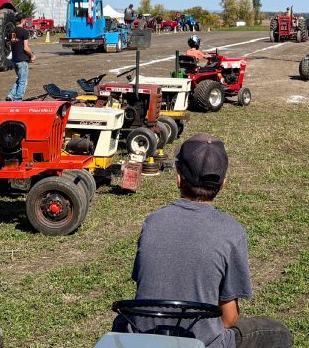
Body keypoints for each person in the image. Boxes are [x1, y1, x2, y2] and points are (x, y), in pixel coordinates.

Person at [116, 134, 293, 348]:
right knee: (277, 332)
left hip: (144, 338)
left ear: (179, 178)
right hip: (203, 343)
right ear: (224, 183)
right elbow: (229, 319)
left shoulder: (153, 221)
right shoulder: (232, 231)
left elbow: (146, 286)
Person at [6, 15, 34, 101]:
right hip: (22, 60)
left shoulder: (12, 32)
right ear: (22, 20)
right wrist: (32, 56)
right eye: (25, 20)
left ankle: (10, 96)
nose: (25, 21)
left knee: (20, 78)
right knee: (23, 81)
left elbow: (13, 45)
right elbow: (26, 47)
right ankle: (18, 99)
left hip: (15, 59)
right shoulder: (24, 32)